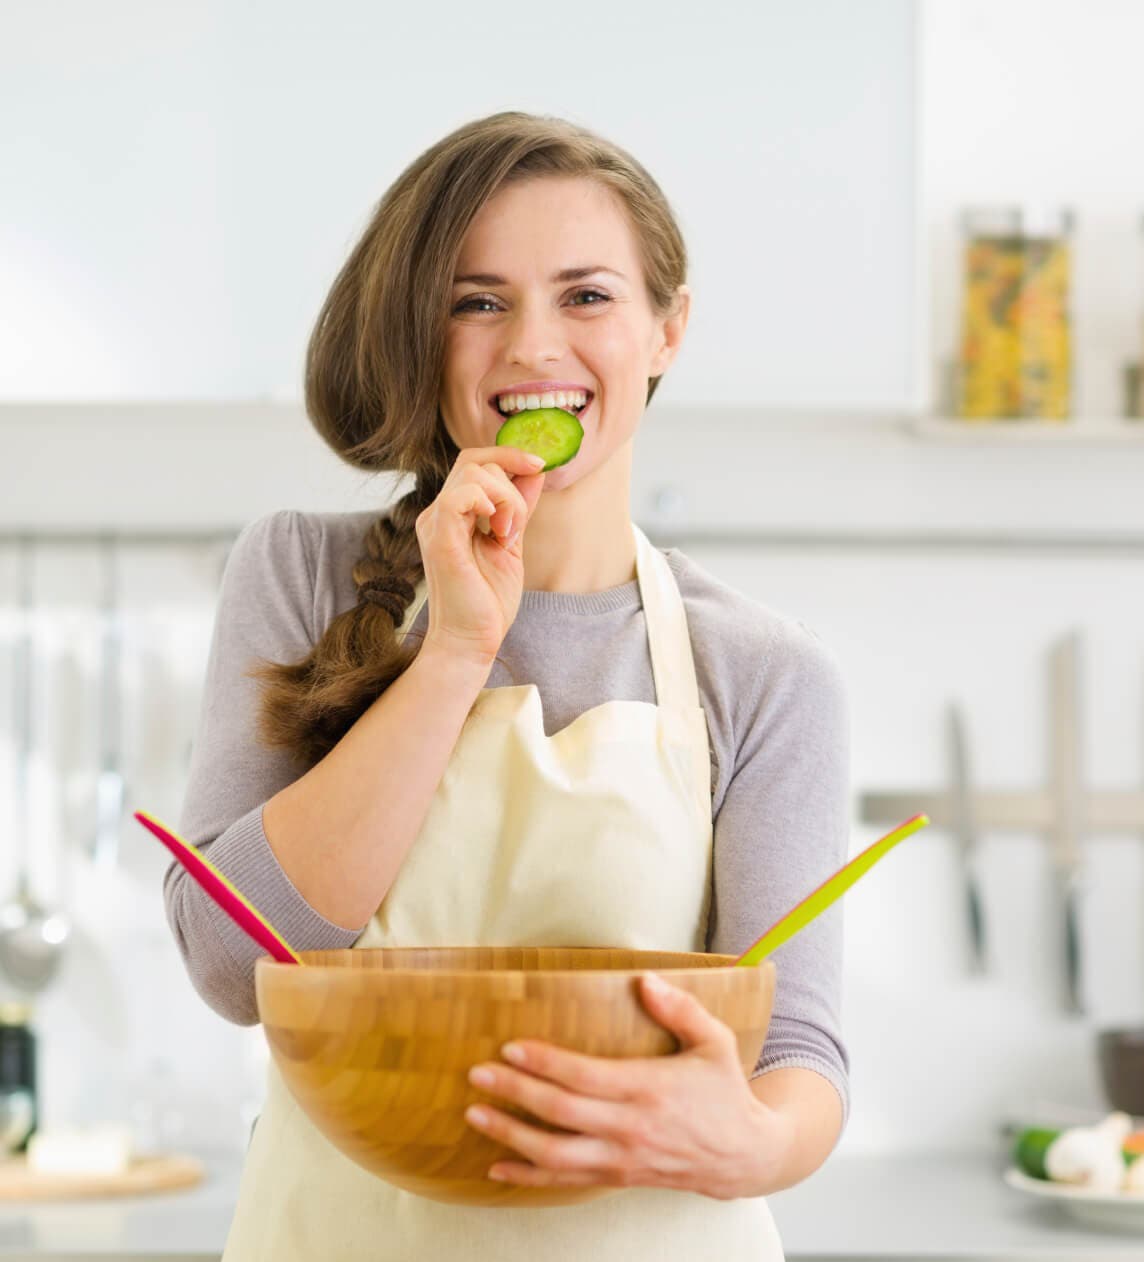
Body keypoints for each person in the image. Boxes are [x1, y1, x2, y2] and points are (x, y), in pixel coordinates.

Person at [164, 111, 850, 1260]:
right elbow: (235, 964)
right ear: (422, 336)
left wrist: (749, 1145)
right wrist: (454, 653)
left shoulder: (766, 670)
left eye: (587, 297)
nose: (534, 347)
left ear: (666, 331)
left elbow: (798, 1057)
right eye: (476, 301)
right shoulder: (298, 571)